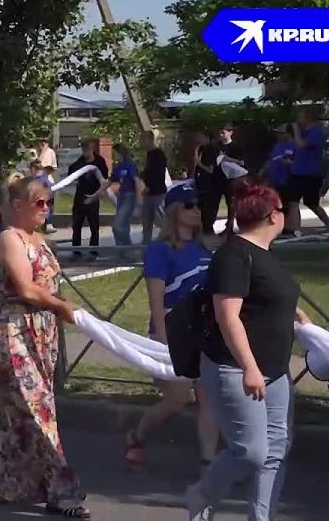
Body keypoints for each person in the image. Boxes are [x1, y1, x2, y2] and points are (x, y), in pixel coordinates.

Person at [0, 175, 88, 519]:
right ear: (17, 205)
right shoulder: (9, 238)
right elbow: (25, 288)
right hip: (15, 330)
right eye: (39, 202)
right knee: (37, 408)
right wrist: (62, 306)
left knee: (19, 410)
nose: (46, 208)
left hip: (42, 330)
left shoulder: (38, 239)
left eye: (49, 202)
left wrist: (56, 310)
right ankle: (63, 492)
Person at [187, 182, 310, 521]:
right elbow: (227, 316)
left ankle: (260, 516)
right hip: (237, 369)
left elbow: (264, 296)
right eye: (282, 210)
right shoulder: (234, 255)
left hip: (276, 371)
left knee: (275, 451)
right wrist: (249, 367)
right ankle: (201, 495)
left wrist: (294, 313)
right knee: (251, 452)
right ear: (273, 216)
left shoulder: (265, 253)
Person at [124, 183, 219, 473]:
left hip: (204, 335)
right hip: (172, 333)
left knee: (207, 399)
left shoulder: (205, 249)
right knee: (177, 400)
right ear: (175, 210)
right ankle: (137, 435)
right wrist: (162, 339)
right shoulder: (160, 251)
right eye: (189, 205)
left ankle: (209, 463)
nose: (196, 210)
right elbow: (156, 299)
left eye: (199, 205)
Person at [287, 108, 329, 231]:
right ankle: (295, 228)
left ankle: (328, 222)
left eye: (301, 117)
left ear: (308, 118)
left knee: (311, 202)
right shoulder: (304, 132)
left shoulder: (316, 132)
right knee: (293, 200)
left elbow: (302, 144)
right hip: (297, 171)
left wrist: (296, 130)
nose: (298, 120)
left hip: (310, 173)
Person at [89, 143, 140, 248]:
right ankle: (122, 248)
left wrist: (139, 198)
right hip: (122, 196)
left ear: (120, 152)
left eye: (115, 152)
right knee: (122, 224)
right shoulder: (118, 167)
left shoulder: (130, 165)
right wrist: (96, 194)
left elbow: (137, 181)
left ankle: (127, 248)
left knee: (118, 224)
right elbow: (109, 182)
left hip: (130, 196)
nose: (114, 155)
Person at [68, 138, 108, 260]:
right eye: (84, 150)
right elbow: (71, 171)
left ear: (92, 149)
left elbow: (104, 176)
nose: (86, 152)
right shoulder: (80, 162)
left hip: (93, 195)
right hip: (80, 195)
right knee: (77, 224)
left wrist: (99, 191)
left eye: (88, 150)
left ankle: (94, 250)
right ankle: (76, 250)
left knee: (94, 224)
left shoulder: (99, 161)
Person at [262, 125, 297, 237]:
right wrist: (262, 173)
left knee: (289, 205)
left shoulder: (295, 146)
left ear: (288, 133)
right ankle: (279, 228)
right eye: (277, 133)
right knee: (275, 205)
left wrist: (289, 163)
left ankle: (292, 229)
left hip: (288, 180)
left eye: (281, 133)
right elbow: (270, 161)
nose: (278, 135)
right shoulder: (277, 145)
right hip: (274, 180)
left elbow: (300, 163)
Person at [140, 131, 169, 244]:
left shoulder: (158, 155)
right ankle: (146, 246)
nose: (141, 142)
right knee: (146, 222)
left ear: (149, 140)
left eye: (142, 139)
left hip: (158, 193)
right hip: (148, 194)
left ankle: (168, 243)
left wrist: (149, 186)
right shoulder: (148, 155)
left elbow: (159, 174)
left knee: (161, 220)